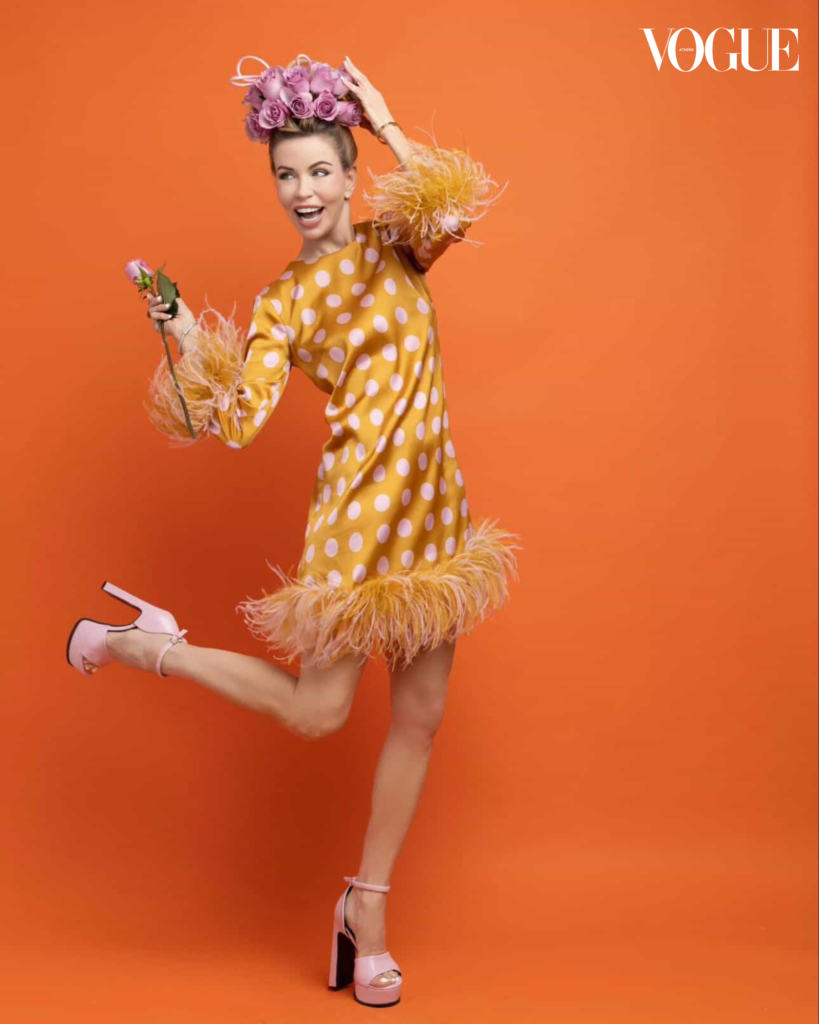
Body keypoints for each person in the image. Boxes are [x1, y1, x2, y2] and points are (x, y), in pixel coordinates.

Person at [66, 53, 521, 1008]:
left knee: (420, 718)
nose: (302, 191)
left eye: (318, 170)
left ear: (351, 175)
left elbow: (454, 208)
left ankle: (368, 911)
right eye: (285, 175)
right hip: (357, 516)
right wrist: (183, 333)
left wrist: (384, 118)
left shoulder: (399, 244)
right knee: (318, 714)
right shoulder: (284, 301)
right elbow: (235, 421)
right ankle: (145, 644)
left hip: (432, 510)